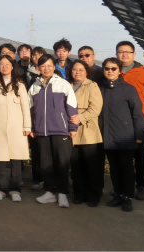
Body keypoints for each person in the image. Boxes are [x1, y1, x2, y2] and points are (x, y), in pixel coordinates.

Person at [29, 55, 78, 208]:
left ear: (54, 67)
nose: (47, 69)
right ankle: (50, 192)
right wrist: (32, 127)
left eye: (49, 65)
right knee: (45, 163)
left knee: (61, 163)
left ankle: (62, 193)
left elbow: (72, 107)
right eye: (43, 66)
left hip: (60, 130)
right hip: (41, 131)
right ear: (38, 68)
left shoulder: (63, 84)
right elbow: (30, 110)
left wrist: (73, 128)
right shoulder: (34, 86)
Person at [100, 57, 144, 212]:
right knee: (114, 168)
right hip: (108, 135)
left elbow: (138, 114)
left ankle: (127, 198)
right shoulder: (101, 88)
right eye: (107, 68)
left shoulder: (129, 89)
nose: (110, 71)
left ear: (119, 71)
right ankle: (118, 194)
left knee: (126, 168)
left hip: (125, 136)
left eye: (113, 68)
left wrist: (139, 134)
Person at [0, 55, 31, 202]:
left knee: (16, 159)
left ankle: (14, 189)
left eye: (7, 64)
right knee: (1, 159)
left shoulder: (20, 84)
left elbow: (25, 107)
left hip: (17, 127)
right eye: (1, 64)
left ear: (12, 66)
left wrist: (27, 126)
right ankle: (0, 188)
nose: (4, 66)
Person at [116, 40, 144, 201]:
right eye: (121, 51)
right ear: (117, 54)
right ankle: (122, 186)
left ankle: (141, 186)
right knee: (121, 156)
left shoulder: (143, 73)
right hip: (118, 121)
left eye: (127, 52)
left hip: (137, 120)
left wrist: (140, 106)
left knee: (139, 155)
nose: (124, 54)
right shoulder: (114, 71)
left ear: (133, 54)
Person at [69, 59, 104, 207]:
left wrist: (81, 118)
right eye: (75, 69)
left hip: (88, 130)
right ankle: (79, 194)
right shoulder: (68, 86)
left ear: (86, 72)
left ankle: (94, 195)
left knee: (91, 166)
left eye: (81, 70)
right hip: (72, 132)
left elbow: (96, 108)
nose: (77, 72)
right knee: (76, 166)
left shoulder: (91, 85)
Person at [28, 46, 47, 190]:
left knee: (47, 153)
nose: (37, 57)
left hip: (51, 122)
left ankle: (49, 181)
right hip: (35, 119)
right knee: (36, 151)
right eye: (34, 55)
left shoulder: (57, 78)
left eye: (39, 55)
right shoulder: (32, 80)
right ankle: (37, 179)